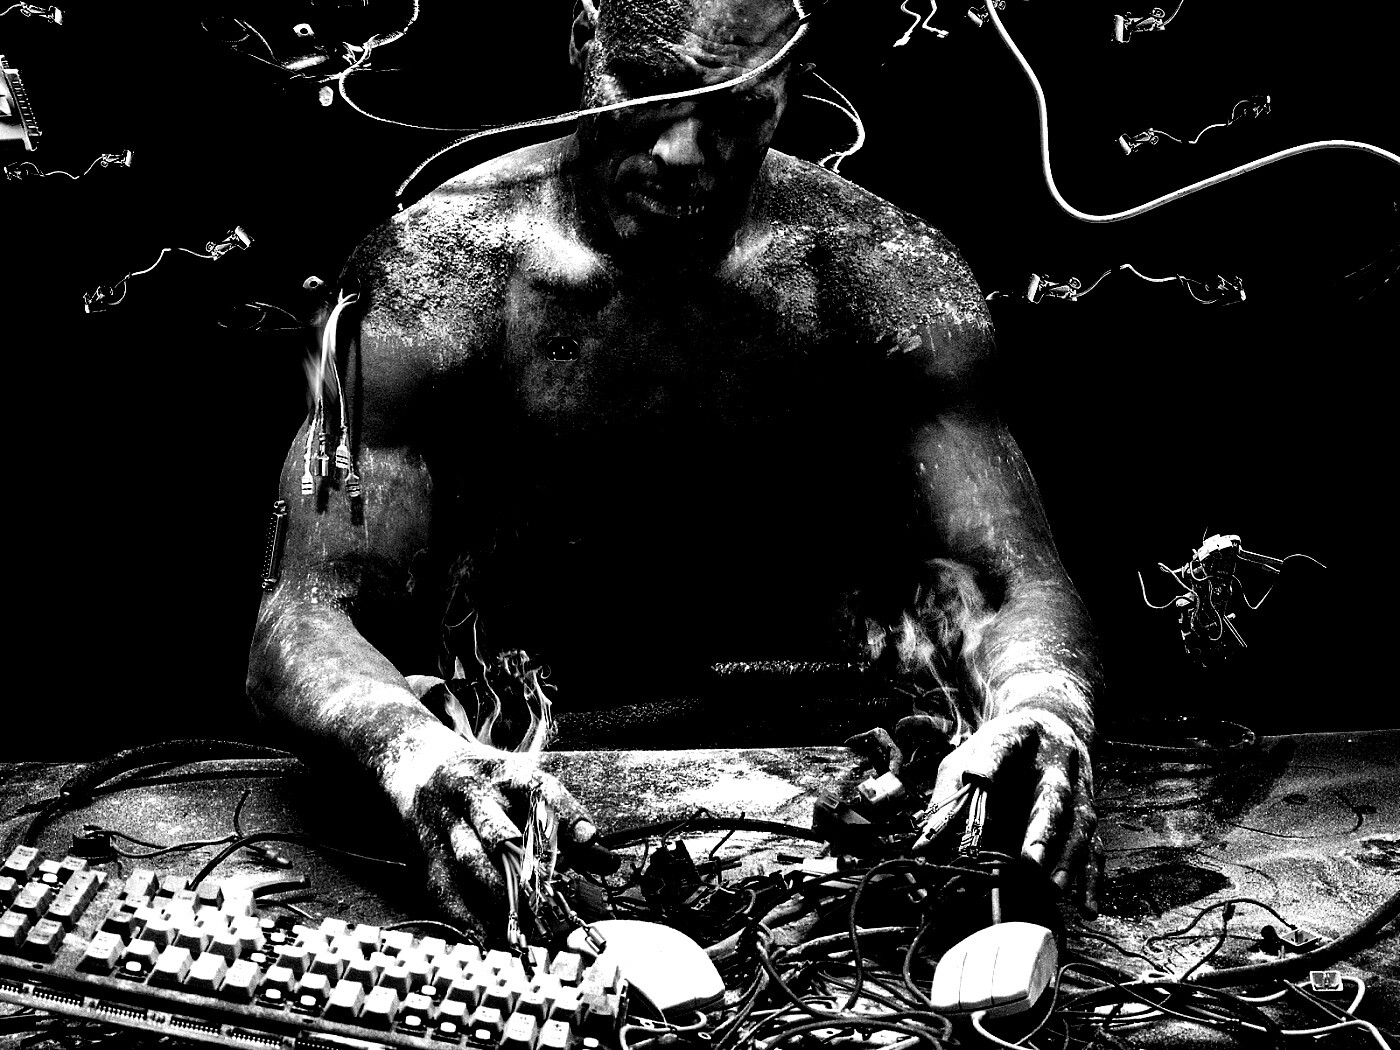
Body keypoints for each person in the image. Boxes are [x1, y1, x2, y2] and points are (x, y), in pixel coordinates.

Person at [246, 0, 1105, 939]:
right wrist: (414, 757)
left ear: (795, 84)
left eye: (734, 108)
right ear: (583, 41)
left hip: (846, 803)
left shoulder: (888, 276)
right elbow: (306, 615)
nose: (684, 153)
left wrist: (1041, 707)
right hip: (522, 802)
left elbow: (1010, 581)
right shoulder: (427, 271)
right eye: (650, 91)